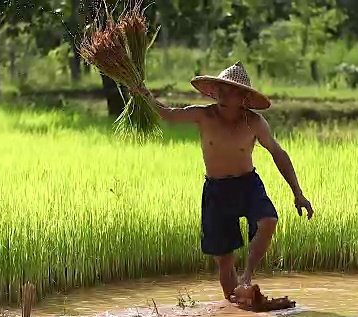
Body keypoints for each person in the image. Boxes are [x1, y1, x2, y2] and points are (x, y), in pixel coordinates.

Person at [131, 61, 314, 301]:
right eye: (222, 90)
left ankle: (247, 276)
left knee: (268, 220)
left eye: (232, 91)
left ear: (244, 98)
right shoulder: (204, 115)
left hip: (247, 185)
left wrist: (298, 193)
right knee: (225, 260)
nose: (225, 96)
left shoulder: (254, 123)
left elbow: (278, 153)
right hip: (216, 190)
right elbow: (169, 115)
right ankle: (236, 305)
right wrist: (145, 94)